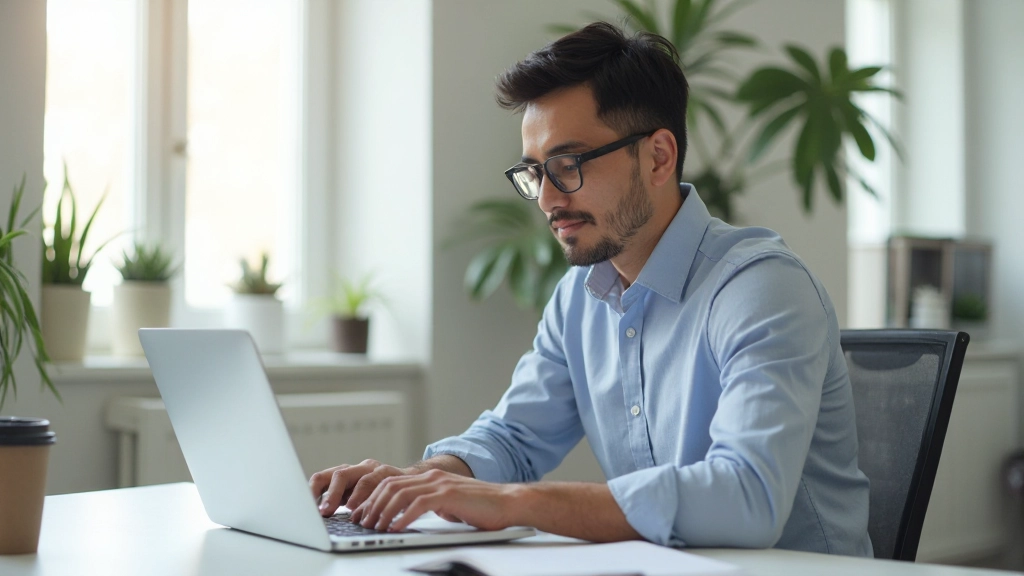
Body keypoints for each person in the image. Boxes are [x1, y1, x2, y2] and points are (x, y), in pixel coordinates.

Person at [310, 22, 872, 556]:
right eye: (535, 172)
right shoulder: (578, 296)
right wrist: (416, 482)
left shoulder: (762, 288)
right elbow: (514, 437)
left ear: (658, 156)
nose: (550, 200)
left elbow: (747, 497)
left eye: (569, 163)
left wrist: (512, 503)